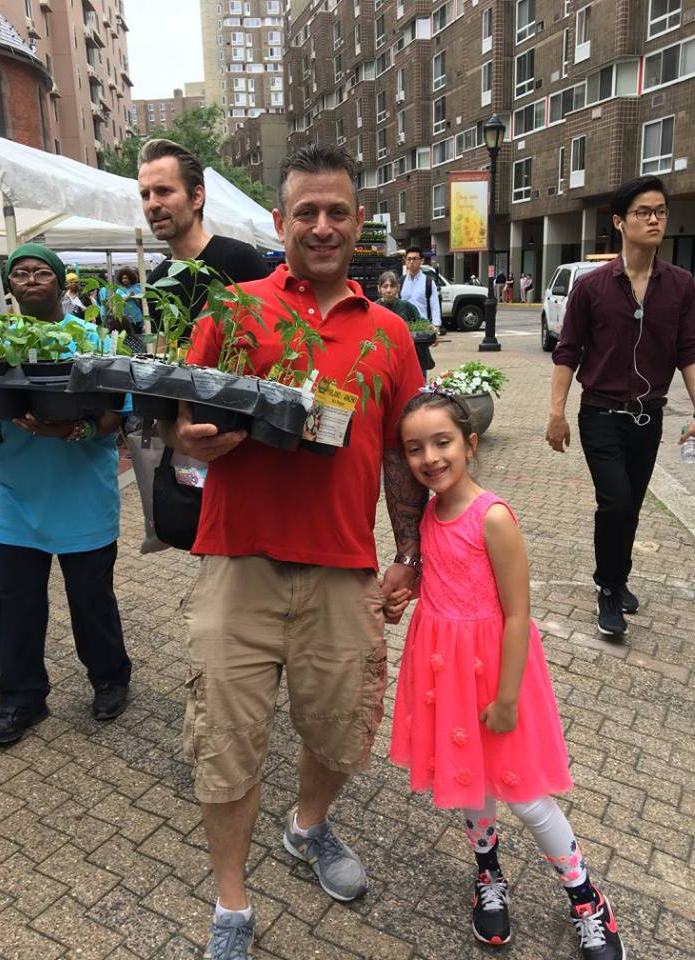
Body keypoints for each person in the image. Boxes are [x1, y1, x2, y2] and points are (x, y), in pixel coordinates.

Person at [158, 145, 426, 960]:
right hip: (239, 562)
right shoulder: (235, 311)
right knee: (225, 740)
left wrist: (409, 549)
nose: (320, 226)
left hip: (344, 571)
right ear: (279, 223)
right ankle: (231, 906)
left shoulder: (389, 333)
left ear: (357, 224)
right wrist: (193, 444)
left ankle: (308, 828)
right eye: (305, 212)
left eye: (336, 212)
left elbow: (400, 453)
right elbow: (178, 421)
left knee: (341, 729)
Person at [386, 387, 625, 960]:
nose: (429, 458)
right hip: (443, 669)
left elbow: (518, 614)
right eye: (415, 449)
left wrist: (509, 695)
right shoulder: (426, 513)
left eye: (441, 442)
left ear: (469, 444)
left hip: (494, 674)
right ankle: (488, 874)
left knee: (527, 795)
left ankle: (585, 895)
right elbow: (434, 578)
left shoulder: (492, 516)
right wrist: (402, 593)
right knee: (469, 781)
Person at [0, 243, 132, 746]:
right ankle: (21, 699)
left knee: (91, 598)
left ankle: (110, 677)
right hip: (17, 496)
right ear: (10, 286)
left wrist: (71, 429)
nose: (30, 279)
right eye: (19, 272)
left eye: (42, 271)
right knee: (17, 603)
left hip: (83, 493)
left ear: (61, 281)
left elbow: (117, 417)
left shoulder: (91, 339)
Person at [546, 175, 695, 637]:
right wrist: (556, 412)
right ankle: (607, 590)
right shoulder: (591, 288)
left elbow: (688, 350)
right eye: (642, 212)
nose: (653, 219)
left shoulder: (682, 285)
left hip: (647, 418)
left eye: (660, 211)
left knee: (629, 507)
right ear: (619, 222)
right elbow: (567, 351)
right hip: (600, 415)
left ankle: (620, 576)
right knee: (614, 504)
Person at [138, 139, 268, 326]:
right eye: (145, 195)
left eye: (163, 191)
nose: (152, 204)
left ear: (197, 197)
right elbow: (164, 349)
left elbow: (272, 341)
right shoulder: (157, 281)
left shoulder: (240, 260)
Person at [376, 270, 435, 381]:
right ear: (379, 288)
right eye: (385, 286)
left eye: (392, 286)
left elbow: (421, 322)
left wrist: (430, 328)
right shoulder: (373, 309)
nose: (389, 290)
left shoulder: (407, 307)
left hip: (410, 359)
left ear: (398, 288)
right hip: (385, 361)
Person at [400, 246, 442, 333]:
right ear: (405, 261)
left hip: (423, 328)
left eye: (415, 259)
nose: (411, 262)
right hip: (404, 328)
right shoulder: (401, 281)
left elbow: (435, 306)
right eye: (409, 259)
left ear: (421, 261)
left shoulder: (429, 283)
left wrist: (436, 327)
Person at [113, 266, 144, 332]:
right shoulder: (119, 290)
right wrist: (129, 297)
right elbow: (119, 302)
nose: (124, 280)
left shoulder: (137, 288)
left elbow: (141, 304)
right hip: (125, 319)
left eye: (126, 278)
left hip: (137, 318)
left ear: (131, 278)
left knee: (138, 336)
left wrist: (135, 299)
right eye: (122, 278)